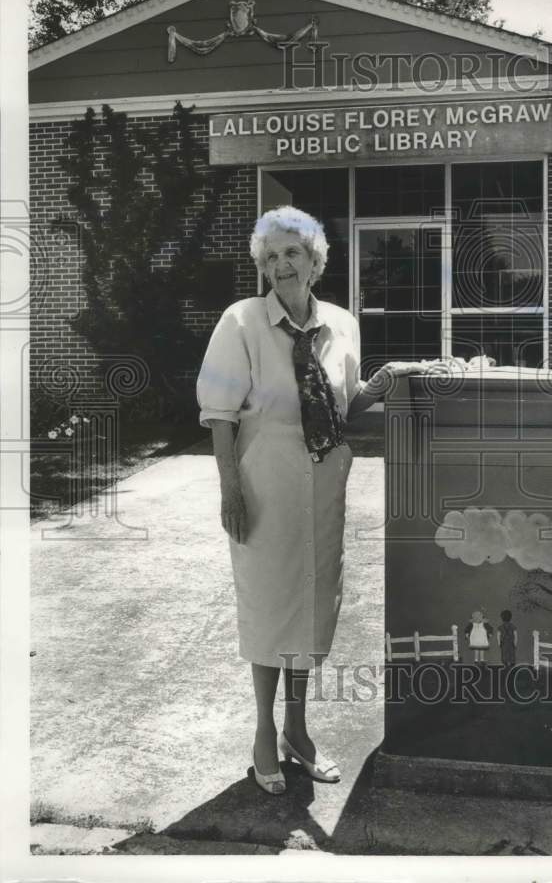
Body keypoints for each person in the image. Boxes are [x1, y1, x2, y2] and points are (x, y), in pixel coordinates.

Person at [196, 205, 433, 795]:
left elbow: (344, 405)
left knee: (310, 606)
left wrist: (386, 380)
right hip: (264, 485)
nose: (281, 265)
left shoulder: (342, 324)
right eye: (270, 256)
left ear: (315, 261)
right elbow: (220, 417)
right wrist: (230, 489)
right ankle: (262, 732)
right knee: (270, 605)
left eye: (292, 253)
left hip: (324, 486)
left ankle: (298, 733)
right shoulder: (242, 322)